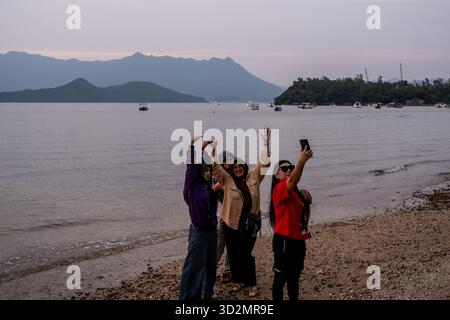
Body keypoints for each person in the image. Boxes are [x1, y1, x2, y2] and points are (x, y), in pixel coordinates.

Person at [211, 128, 271, 297]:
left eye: (240, 166)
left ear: (245, 166)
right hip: (231, 223)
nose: (237, 169)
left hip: (250, 223)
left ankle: (251, 283)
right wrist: (214, 149)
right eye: (235, 167)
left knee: (246, 254)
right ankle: (237, 281)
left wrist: (266, 142)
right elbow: (215, 167)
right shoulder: (227, 179)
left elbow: (265, 162)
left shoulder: (254, 177)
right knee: (234, 254)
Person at [269, 146, 313, 301]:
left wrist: (307, 202)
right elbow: (294, 178)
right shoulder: (279, 189)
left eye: (291, 168)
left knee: (294, 278)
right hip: (284, 240)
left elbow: (304, 218)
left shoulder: (295, 193)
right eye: (284, 168)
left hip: (298, 240)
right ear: (276, 174)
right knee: (280, 279)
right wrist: (301, 160)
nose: (288, 170)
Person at [179, 137, 218, 300]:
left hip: (212, 232)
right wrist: (197, 149)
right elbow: (191, 168)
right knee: (194, 268)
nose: (208, 173)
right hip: (199, 233)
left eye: (209, 170)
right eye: (205, 171)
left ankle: (206, 295)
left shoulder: (209, 187)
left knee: (210, 267)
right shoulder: (192, 188)